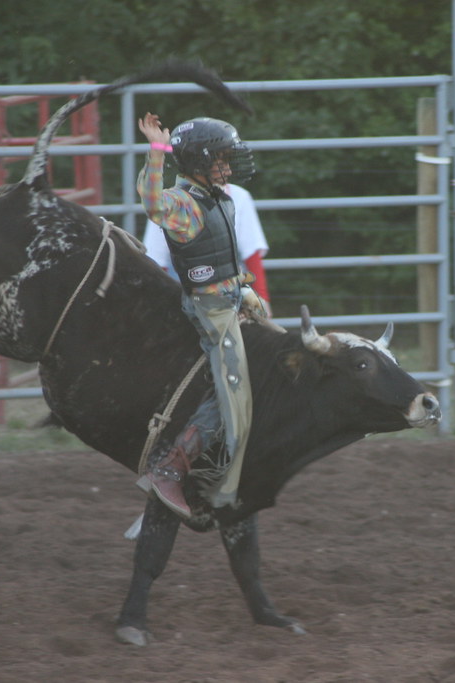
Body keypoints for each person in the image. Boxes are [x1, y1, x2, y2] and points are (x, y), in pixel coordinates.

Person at [136, 113, 262, 519]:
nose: (229, 168)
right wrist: (158, 149)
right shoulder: (182, 204)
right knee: (236, 395)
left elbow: (224, 259)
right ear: (198, 161)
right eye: (221, 160)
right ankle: (175, 471)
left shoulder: (220, 199)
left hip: (230, 298)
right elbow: (152, 202)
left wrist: (244, 289)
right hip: (212, 311)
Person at [143, 182, 271, 314]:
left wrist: (262, 299)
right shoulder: (167, 201)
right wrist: (157, 305)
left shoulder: (239, 197)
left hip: (230, 295)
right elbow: (156, 262)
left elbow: (252, 254)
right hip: (182, 296)